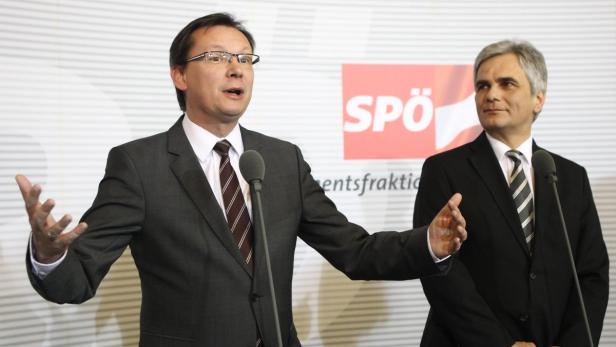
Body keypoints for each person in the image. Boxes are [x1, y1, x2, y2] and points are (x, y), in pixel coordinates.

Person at [16, 13, 467, 347]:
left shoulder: (280, 159)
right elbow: (75, 281)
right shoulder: (139, 165)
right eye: (216, 57)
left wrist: (428, 242)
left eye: (245, 58)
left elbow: (355, 251)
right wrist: (51, 254)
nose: (236, 69)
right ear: (179, 75)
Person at [413, 39, 609, 347]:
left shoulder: (571, 177)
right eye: (482, 86)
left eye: (507, 84)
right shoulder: (444, 170)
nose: (491, 94)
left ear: (538, 98)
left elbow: (591, 273)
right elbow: (441, 270)